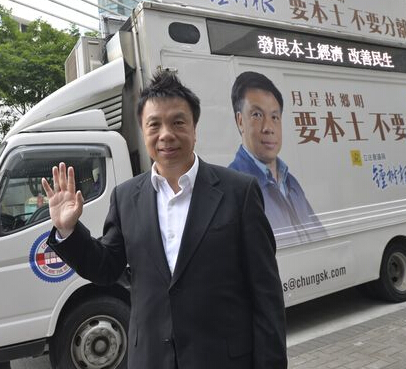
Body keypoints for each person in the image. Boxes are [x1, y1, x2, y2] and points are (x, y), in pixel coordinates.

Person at [43, 71, 287, 369]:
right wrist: (68, 230)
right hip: (151, 359)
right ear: (143, 131)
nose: (166, 134)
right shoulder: (126, 197)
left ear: (194, 129)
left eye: (178, 122)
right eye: (154, 124)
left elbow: (266, 293)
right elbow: (107, 268)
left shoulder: (239, 192)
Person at [228, 71, 326, 244]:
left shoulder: (290, 182)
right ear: (240, 121)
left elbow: (322, 239)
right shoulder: (233, 187)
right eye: (257, 115)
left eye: (275, 117)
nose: (268, 127)